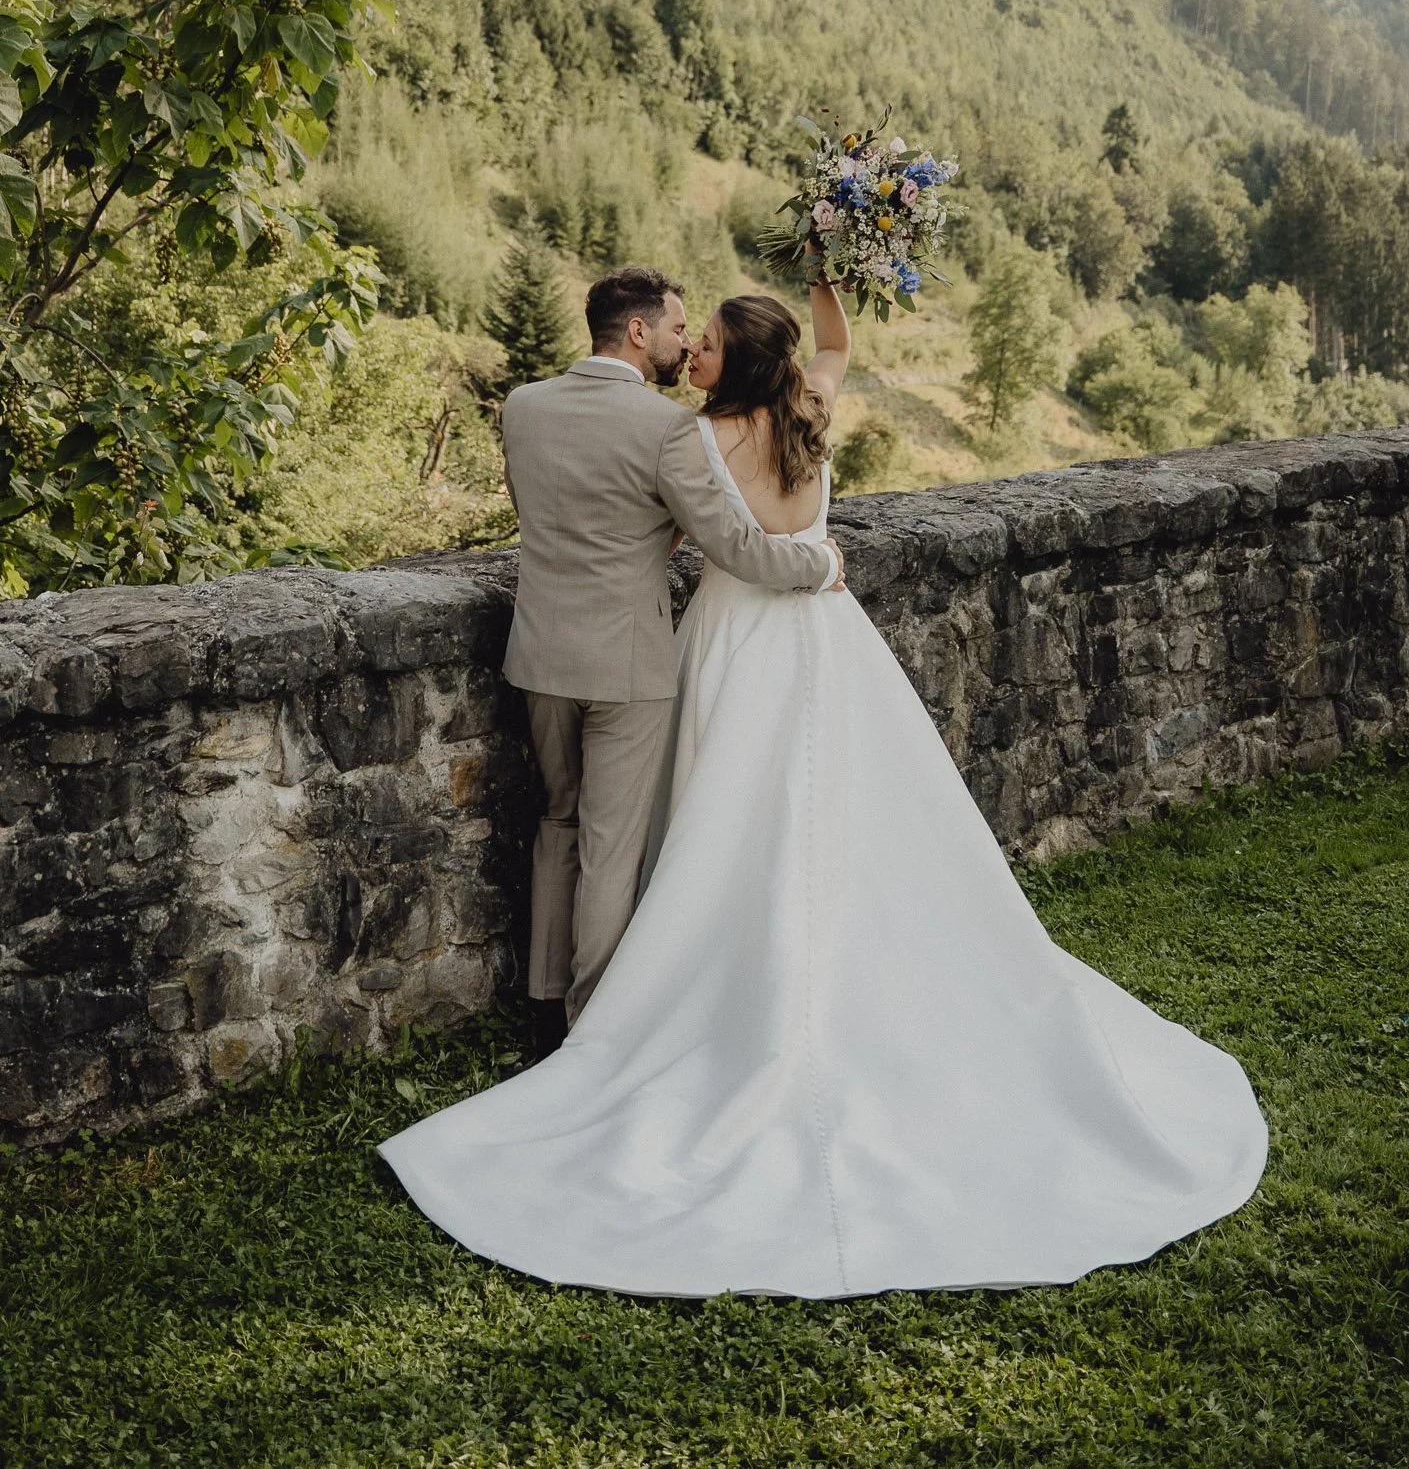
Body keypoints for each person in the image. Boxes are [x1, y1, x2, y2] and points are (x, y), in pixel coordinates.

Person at [382, 280, 1267, 1296]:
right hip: (806, 638)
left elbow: (688, 535)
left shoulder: (654, 430)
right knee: (818, 810)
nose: (691, 346)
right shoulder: (805, 409)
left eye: (706, 338)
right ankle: (669, 992)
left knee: (663, 821)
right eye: (684, 331)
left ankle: (589, 1014)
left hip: (655, 642)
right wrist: (834, 283)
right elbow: (813, 394)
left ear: (729, 360)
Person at [496, 265, 843, 1055]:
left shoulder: (523, 406)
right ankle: (591, 1028)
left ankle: (544, 1007)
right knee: (611, 847)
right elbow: (735, 546)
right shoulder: (666, 431)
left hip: (540, 649)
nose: (686, 342)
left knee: (557, 821)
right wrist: (819, 564)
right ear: (640, 332)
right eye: (679, 328)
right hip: (627, 663)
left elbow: (546, 515)